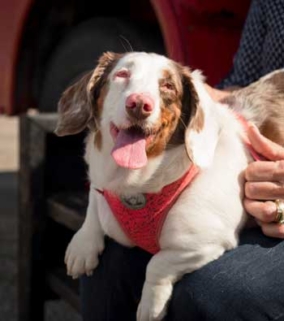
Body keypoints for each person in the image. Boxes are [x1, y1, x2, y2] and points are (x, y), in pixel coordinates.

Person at [80, 0, 284, 320]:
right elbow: (238, 82)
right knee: (112, 264)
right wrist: (172, 89)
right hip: (255, 173)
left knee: (212, 291)